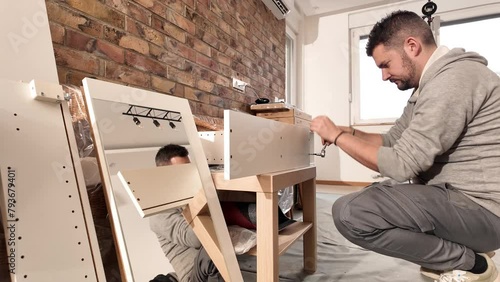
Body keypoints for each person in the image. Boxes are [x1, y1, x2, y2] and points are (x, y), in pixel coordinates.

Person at [310, 10, 500, 282]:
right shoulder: (427, 88)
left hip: (485, 212)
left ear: (412, 46)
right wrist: (346, 131)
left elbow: (401, 165)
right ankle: (461, 251)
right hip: (463, 204)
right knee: (377, 197)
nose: (384, 76)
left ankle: (472, 264)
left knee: (351, 213)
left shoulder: (452, 81)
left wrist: (338, 138)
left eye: (386, 64)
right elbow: (391, 140)